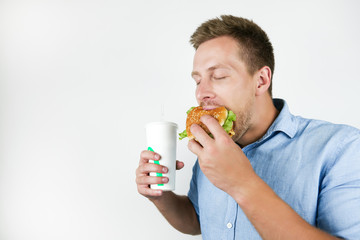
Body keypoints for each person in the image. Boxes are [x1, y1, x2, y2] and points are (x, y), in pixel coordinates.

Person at [135, 15, 360, 239]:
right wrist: (161, 195)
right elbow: (198, 220)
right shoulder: (211, 147)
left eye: (219, 75)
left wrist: (241, 183)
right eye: (197, 80)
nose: (201, 93)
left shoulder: (342, 148)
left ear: (261, 80)